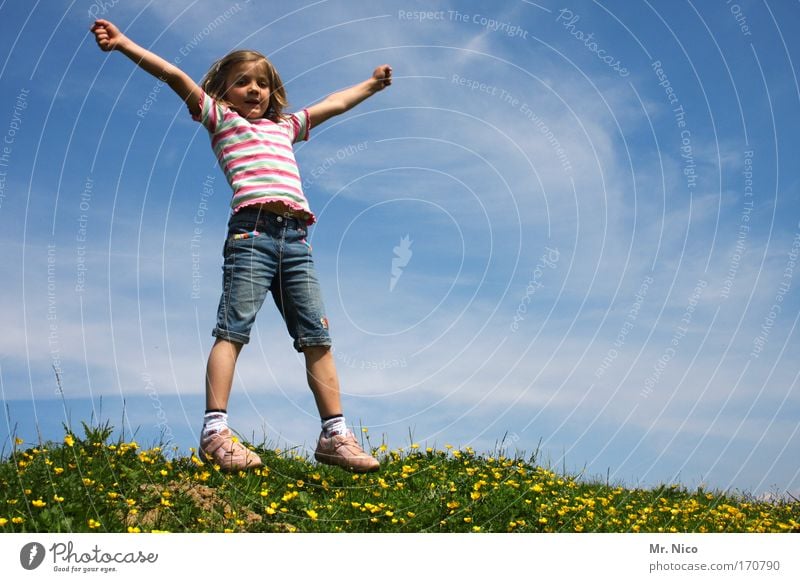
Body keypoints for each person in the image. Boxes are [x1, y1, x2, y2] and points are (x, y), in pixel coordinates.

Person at [91, 19, 390, 473]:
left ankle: (335, 436)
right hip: (251, 234)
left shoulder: (287, 127)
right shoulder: (220, 119)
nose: (254, 89)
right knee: (233, 330)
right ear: (223, 91)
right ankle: (215, 433)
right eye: (243, 82)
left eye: (263, 83)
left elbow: (333, 103)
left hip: (296, 240)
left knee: (318, 337)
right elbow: (174, 75)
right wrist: (124, 43)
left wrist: (370, 85)